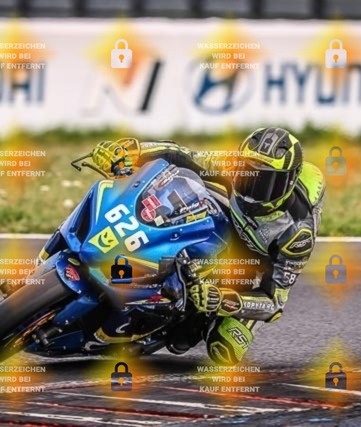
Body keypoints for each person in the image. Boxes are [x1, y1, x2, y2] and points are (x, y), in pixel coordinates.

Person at [93, 127, 325, 365]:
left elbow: (274, 303)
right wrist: (131, 151)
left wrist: (222, 299)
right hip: (225, 221)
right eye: (248, 176)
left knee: (221, 347)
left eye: (268, 184)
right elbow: (180, 154)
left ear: (289, 182)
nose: (253, 191)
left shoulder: (297, 234)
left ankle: (193, 320)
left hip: (253, 266)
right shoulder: (233, 165)